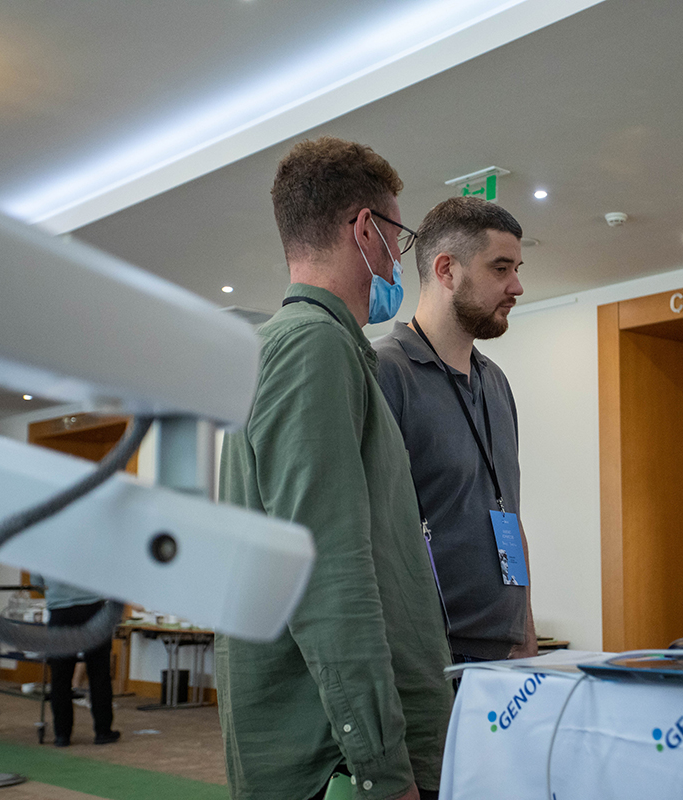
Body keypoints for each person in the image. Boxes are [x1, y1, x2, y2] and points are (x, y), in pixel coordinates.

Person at [214, 137, 452, 800]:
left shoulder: (318, 349)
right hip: (335, 761)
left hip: (339, 749)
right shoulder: (311, 347)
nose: (398, 258)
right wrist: (381, 764)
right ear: (365, 229)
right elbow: (329, 575)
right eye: (398, 237)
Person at [373, 197, 537, 667]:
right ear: (446, 270)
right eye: (500, 268)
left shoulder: (495, 382)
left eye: (517, 269)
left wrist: (525, 629)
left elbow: (509, 513)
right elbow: (370, 526)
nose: (517, 286)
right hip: (427, 654)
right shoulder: (385, 371)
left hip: (503, 649)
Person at [34, 577, 120, 748]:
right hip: (93, 609)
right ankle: (103, 731)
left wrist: (57, 594)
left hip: (59, 612)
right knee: (99, 673)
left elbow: (37, 582)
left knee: (60, 677)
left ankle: (62, 735)